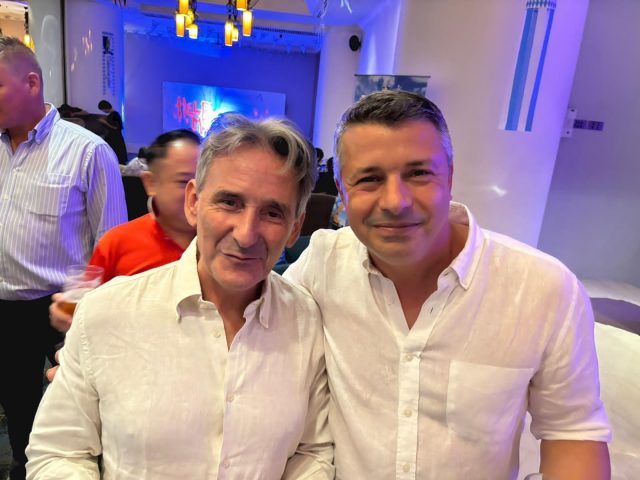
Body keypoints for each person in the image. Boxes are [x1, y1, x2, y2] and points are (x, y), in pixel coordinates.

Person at [284, 90, 611, 480]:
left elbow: (572, 432)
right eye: (369, 179)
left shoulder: (544, 288)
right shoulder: (322, 264)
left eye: (419, 174)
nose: (396, 201)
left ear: (450, 176)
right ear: (342, 189)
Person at [25, 114, 334, 479]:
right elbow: (58, 452)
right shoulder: (106, 313)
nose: (246, 234)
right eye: (230, 202)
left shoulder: (306, 322)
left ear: (295, 228)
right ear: (193, 203)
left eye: (272, 212)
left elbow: (312, 451)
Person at [0, 37, 126, 480]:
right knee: (18, 409)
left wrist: (80, 307)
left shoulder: (88, 151)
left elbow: (111, 246)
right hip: (5, 309)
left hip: (64, 308)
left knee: (73, 417)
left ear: (31, 83)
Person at [46, 129, 200, 370]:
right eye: (183, 182)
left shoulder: (221, 245)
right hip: (132, 369)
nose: (196, 192)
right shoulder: (117, 243)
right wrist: (70, 315)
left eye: (204, 181)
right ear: (151, 183)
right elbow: (85, 310)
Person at [98, 99, 128, 165]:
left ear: (105, 108)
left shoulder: (114, 114)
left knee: (117, 156)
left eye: (102, 109)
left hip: (115, 138)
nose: (103, 111)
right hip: (114, 137)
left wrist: (105, 122)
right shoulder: (113, 114)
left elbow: (116, 127)